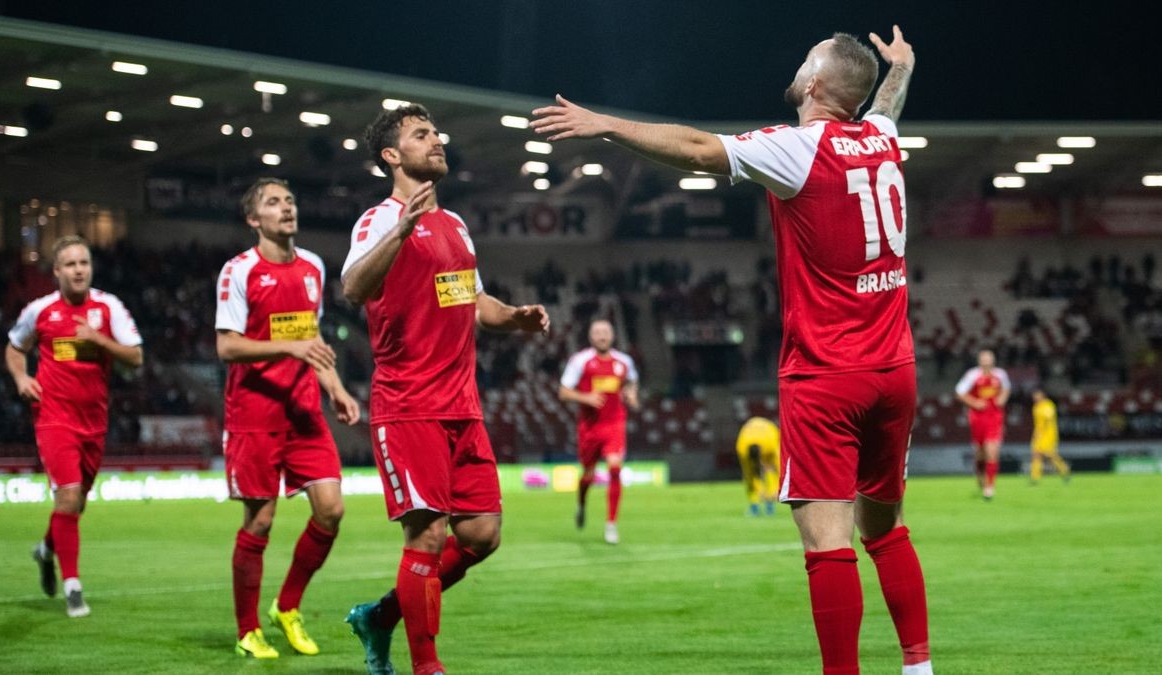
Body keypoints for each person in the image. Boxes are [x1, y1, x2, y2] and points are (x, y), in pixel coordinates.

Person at [533, 26, 931, 675]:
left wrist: (603, 122)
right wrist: (901, 70)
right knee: (885, 528)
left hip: (827, 374)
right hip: (896, 369)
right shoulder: (881, 142)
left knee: (827, 546)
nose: (798, 64)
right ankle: (919, 666)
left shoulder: (799, 150)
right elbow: (883, 109)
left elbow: (694, 148)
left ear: (818, 85)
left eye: (808, 59)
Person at [340, 103, 549, 675]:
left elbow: (475, 303)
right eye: (421, 134)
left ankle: (380, 616)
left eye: (435, 132)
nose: (437, 140)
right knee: (428, 535)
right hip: (408, 405)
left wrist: (516, 316)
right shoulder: (378, 219)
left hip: (463, 405)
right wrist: (401, 229)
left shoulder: (455, 224)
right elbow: (353, 288)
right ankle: (426, 667)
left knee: (481, 535)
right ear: (391, 155)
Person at [215, 178, 361, 659]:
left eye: (290, 200)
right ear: (254, 220)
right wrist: (290, 346)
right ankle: (246, 630)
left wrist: (337, 389)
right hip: (254, 414)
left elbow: (312, 340)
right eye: (273, 203)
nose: (287, 209)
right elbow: (227, 345)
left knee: (331, 510)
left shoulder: (314, 267)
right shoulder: (238, 271)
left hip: (304, 410)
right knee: (260, 522)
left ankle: (288, 606)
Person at [6, 235, 144, 618]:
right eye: (70, 264)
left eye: (84, 263)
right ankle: (73, 588)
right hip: (53, 416)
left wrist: (98, 339)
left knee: (76, 504)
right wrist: (21, 380)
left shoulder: (108, 306)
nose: (79, 270)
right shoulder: (39, 311)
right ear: (56, 271)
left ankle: (46, 550)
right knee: (67, 498)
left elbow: (135, 357)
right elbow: (15, 347)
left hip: (94, 421)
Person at [558, 319, 640, 544]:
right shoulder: (580, 361)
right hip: (589, 428)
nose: (602, 336)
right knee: (588, 475)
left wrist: (631, 394)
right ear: (591, 336)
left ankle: (611, 524)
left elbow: (631, 382)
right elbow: (564, 392)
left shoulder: (624, 362)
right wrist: (585, 397)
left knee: (615, 469)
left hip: (615, 424)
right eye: (597, 332)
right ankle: (582, 504)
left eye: (606, 332)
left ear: (612, 335)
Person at [955, 349, 1011, 500]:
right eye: (984, 359)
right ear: (979, 361)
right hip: (977, 418)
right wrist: (974, 402)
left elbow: (1006, 388)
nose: (986, 361)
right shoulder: (972, 375)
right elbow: (959, 392)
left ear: (993, 360)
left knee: (992, 450)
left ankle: (989, 487)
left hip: (995, 417)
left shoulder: (1001, 374)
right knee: (980, 453)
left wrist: (1003, 398)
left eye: (989, 358)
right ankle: (980, 477)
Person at [736, 416, 781, 516]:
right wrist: (759, 490)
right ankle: (754, 506)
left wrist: (777, 488)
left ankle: (770, 505)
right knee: (751, 477)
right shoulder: (742, 449)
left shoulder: (770, 444)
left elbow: (778, 465)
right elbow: (748, 474)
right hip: (750, 430)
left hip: (769, 430)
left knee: (770, 471)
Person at [1029, 387, 1071, 484]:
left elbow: (1048, 419)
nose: (1035, 397)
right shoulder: (1036, 407)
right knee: (1036, 454)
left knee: (1050, 455)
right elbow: (1038, 424)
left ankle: (1065, 471)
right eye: (1034, 396)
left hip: (1049, 434)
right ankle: (1035, 477)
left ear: (1042, 395)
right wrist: (1036, 434)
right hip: (1039, 434)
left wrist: (1042, 433)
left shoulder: (1048, 405)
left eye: (1037, 395)